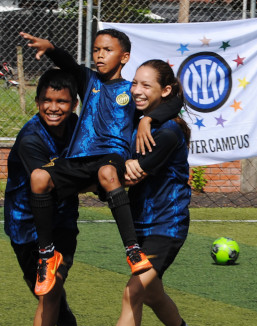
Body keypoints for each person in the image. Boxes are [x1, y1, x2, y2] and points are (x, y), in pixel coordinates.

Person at [18, 29, 184, 297]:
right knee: (38, 177)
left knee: (108, 172)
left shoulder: (131, 91)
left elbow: (175, 101)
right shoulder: (89, 81)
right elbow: (69, 64)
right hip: (79, 160)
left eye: (107, 50)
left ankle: (132, 249)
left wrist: (146, 119)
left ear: (124, 57)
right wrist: (51, 49)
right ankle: (47, 255)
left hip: (111, 159)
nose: (100, 55)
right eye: (96, 50)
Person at [84, 59, 201, 326]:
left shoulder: (168, 132)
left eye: (145, 85)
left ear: (164, 91)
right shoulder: (139, 119)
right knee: (151, 292)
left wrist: (98, 176)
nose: (135, 90)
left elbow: (132, 173)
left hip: (167, 224)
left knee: (133, 290)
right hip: (139, 225)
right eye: (134, 83)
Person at [5, 69, 81, 326]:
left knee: (49, 283)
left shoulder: (80, 129)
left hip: (61, 222)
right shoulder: (30, 139)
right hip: (25, 224)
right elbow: (48, 182)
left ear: (74, 103)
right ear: (37, 103)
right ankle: (58, 305)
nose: (54, 107)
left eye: (61, 101)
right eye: (47, 100)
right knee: (39, 286)